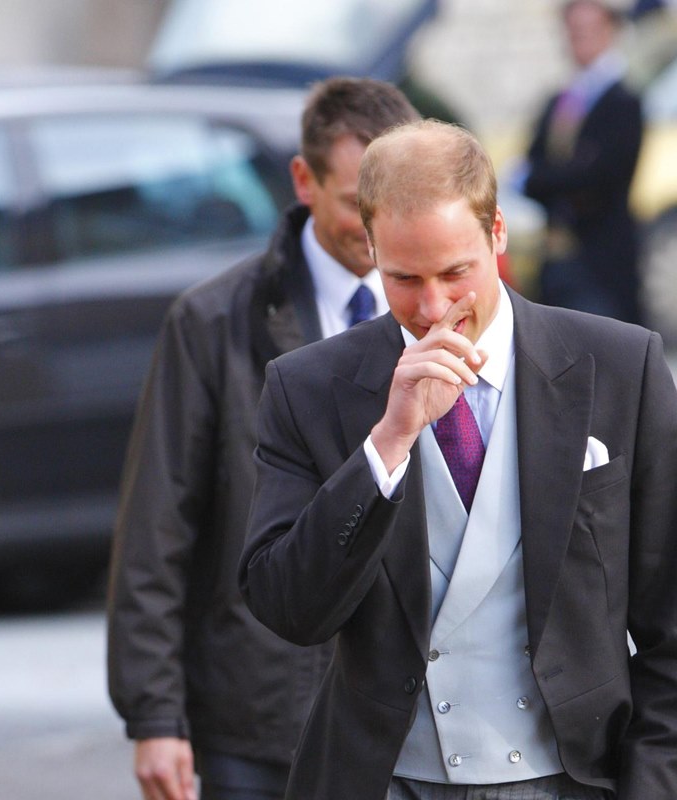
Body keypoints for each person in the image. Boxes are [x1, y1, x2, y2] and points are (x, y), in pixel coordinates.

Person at [240, 119, 677, 799]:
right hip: (387, 780)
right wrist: (386, 444)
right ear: (372, 251)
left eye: (455, 272)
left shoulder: (622, 367)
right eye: (403, 278)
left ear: (497, 233)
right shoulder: (306, 388)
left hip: (570, 779)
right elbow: (290, 609)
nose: (433, 306)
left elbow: (670, 624)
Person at [106, 78, 420, 800]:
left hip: (408, 717)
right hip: (257, 717)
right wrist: (155, 714)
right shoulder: (214, 322)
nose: (379, 228)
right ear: (304, 181)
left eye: (393, 202)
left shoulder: (438, 311)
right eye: (356, 204)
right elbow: (159, 525)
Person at [522, 0, 644, 323]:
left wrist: (554, 176)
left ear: (610, 31)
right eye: (574, 31)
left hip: (601, 261)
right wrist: (563, 174)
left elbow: (600, 176)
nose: (580, 39)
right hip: (557, 255)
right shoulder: (560, 98)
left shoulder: (623, 101)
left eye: (590, 30)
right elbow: (532, 166)